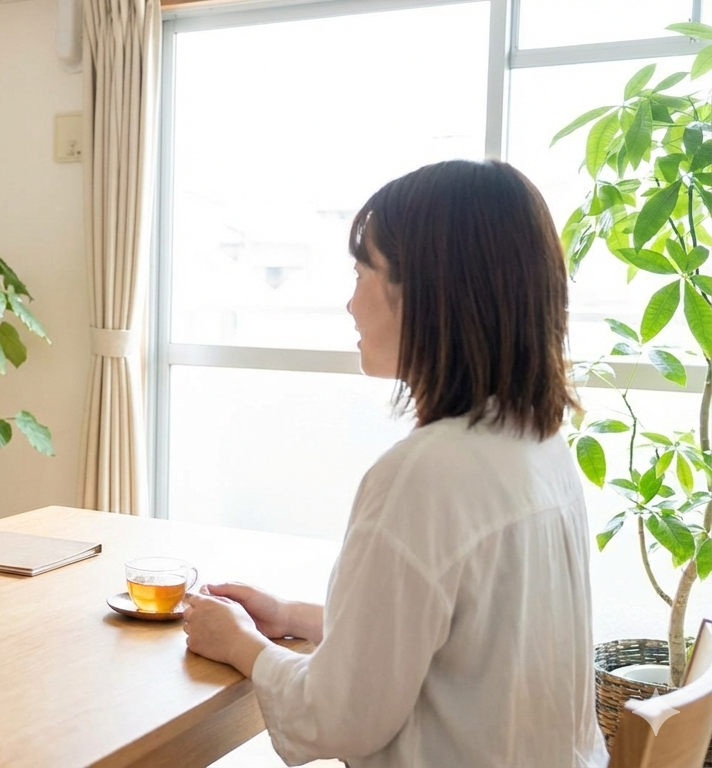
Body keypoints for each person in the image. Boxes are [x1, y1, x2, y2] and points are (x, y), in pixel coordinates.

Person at [182, 160, 608, 767]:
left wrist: (242, 646)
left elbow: (334, 720)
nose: (349, 303)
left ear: (426, 292)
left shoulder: (426, 476)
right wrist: (287, 616)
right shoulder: (537, 446)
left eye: (362, 272)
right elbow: (451, 643)